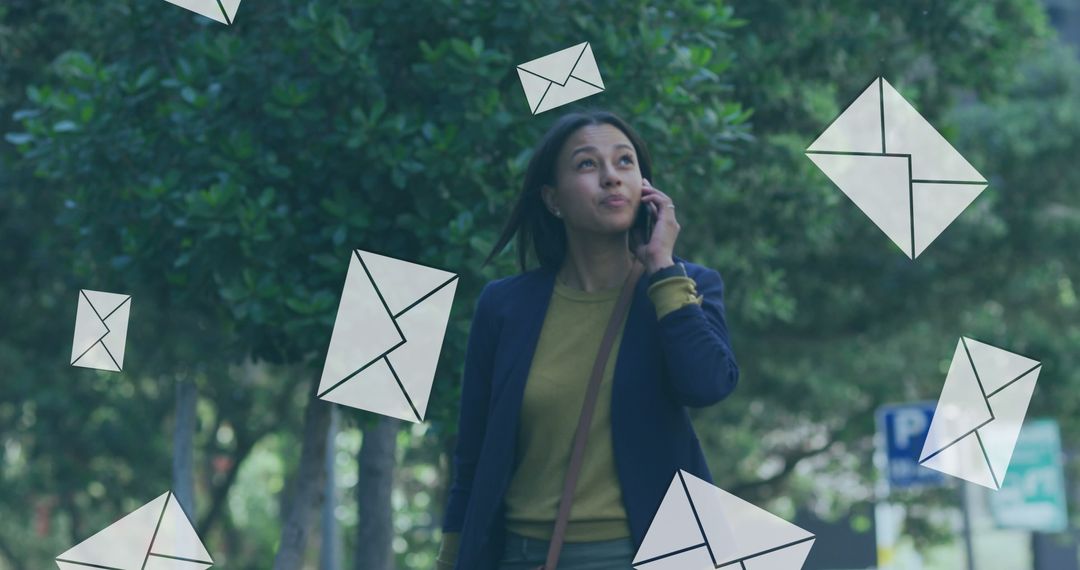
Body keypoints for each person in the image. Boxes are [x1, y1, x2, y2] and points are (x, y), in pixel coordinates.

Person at [436, 110, 739, 570]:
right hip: (524, 557)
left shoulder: (683, 287)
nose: (612, 178)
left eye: (624, 163)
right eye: (587, 165)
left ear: (646, 189)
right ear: (553, 200)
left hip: (649, 554)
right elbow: (473, 452)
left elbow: (708, 385)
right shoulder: (504, 305)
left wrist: (662, 266)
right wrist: (452, 557)